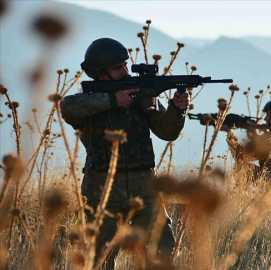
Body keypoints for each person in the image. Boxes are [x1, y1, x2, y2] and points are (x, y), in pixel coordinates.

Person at [60, 37, 189, 269]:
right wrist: (113, 100)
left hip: (146, 192)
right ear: (100, 73)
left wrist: (176, 111)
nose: (125, 72)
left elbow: (166, 132)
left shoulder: (140, 95)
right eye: (118, 68)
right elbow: (67, 107)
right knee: (98, 260)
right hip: (103, 195)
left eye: (125, 66)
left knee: (163, 252)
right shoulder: (89, 101)